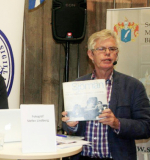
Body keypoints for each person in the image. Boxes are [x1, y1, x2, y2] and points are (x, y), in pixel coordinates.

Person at [62, 29, 150, 160]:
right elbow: (68, 125)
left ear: (116, 55)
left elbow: (146, 127)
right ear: (91, 54)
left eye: (112, 49)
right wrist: (70, 124)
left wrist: (117, 123)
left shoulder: (133, 86)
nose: (107, 53)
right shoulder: (78, 85)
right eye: (102, 49)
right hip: (82, 157)